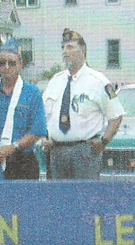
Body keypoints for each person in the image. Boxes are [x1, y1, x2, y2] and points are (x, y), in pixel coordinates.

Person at [43, 28, 124, 179]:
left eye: (70, 47)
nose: (65, 52)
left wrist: (104, 141)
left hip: (85, 153)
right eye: (63, 48)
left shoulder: (98, 81)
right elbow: (43, 115)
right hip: (56, 152)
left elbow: (116, 116)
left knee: (85, 200)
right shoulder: (55, 81)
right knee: (59, 200)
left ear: (83, 50)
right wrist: (44, 137)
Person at [0, 38, 47, 180]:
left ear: (20, 64)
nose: (7, 67)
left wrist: (12, 147)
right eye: (2, 63)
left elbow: (38, 130)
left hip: (23, 161)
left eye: (12, 63)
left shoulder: (32, 93)